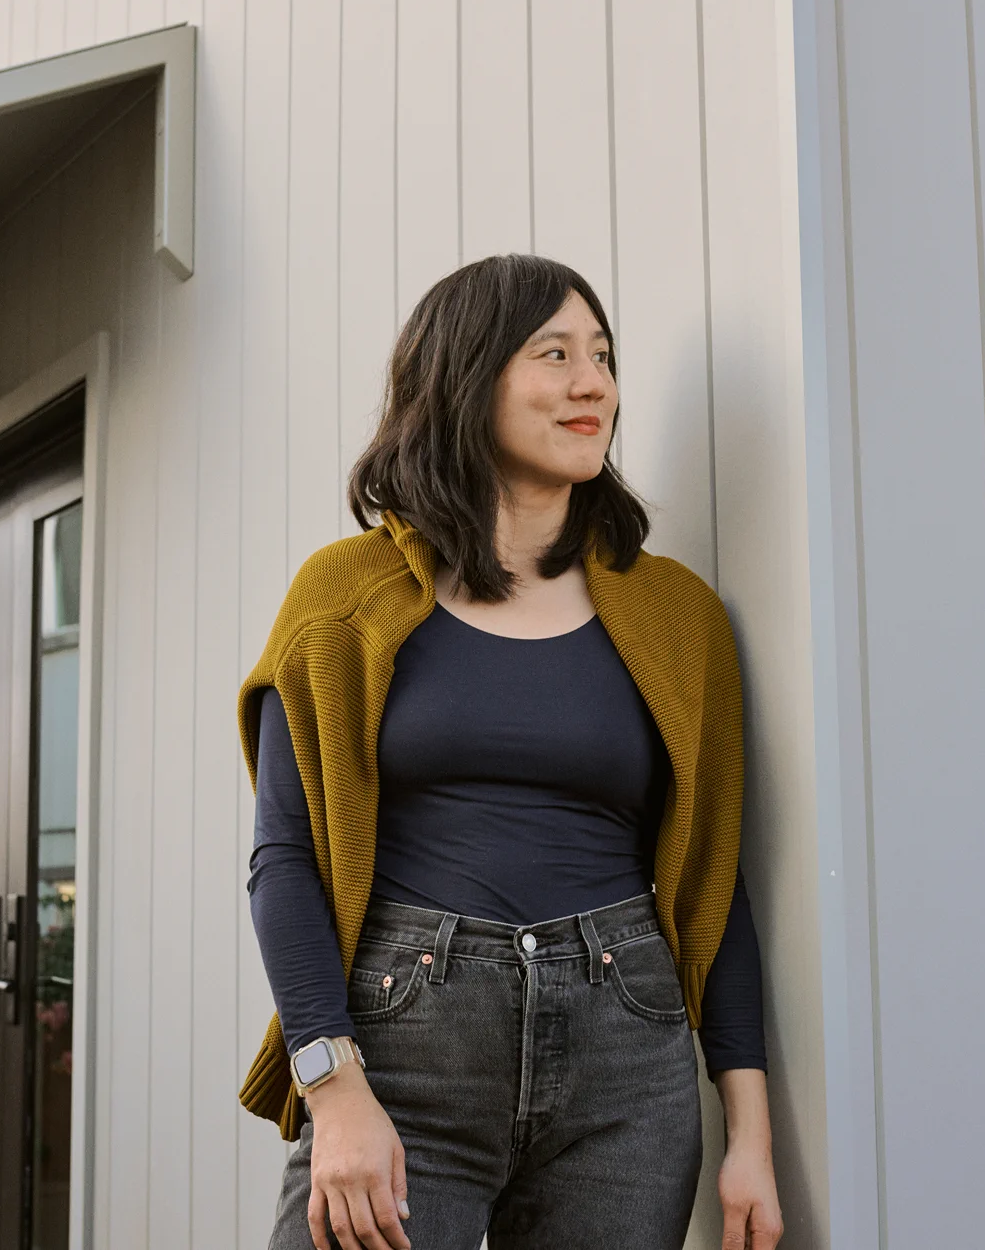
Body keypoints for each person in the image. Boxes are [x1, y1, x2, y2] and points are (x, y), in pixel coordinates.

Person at [239, 253, 783, 1250]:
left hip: (627, 1065)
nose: (594, 384)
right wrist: (333, 1087)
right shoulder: (344, 597)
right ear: (466, 376)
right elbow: (286, 860)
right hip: (402, 1060)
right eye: (556, 354)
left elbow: (715, 885)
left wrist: (749, 1131)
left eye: (604, 357)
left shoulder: (678, 616)